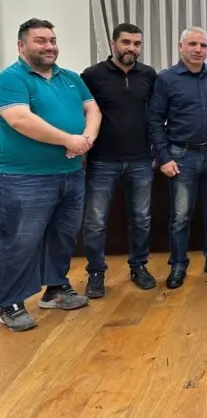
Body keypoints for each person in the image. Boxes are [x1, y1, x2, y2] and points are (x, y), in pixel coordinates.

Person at [0, 18, 100, 332]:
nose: (49, 46)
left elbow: (93, 109)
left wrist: (85, 141)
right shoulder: (11, 78)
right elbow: (19, 119)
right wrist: (68, 140)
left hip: (71, 174)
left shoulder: (70, 77)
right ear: (22, 46)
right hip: (25, 178)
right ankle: (9, 302)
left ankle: (56, 289)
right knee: (21, 241)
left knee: (63, 235)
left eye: (52, 40)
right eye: (40, 40)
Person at [149, 27, 207, 289]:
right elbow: (154, 120)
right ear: (180, 46)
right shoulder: (166, 78)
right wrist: (163, 157)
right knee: (181, 215)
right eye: (192, 44)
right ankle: (178, 265)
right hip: (181, 155)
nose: (198, 50)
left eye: (203, 45)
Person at [80, 23, 158, 298]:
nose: (131, 48)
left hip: (141, 159)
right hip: (103, 160)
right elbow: (83, 113)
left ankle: (139, 266)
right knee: (95, 221)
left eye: (137, 43)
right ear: (113, 44)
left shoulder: (149, 75)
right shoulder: (92, 75)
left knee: (141, 218)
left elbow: (155, 115)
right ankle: (96, 272)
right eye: (126, 42)